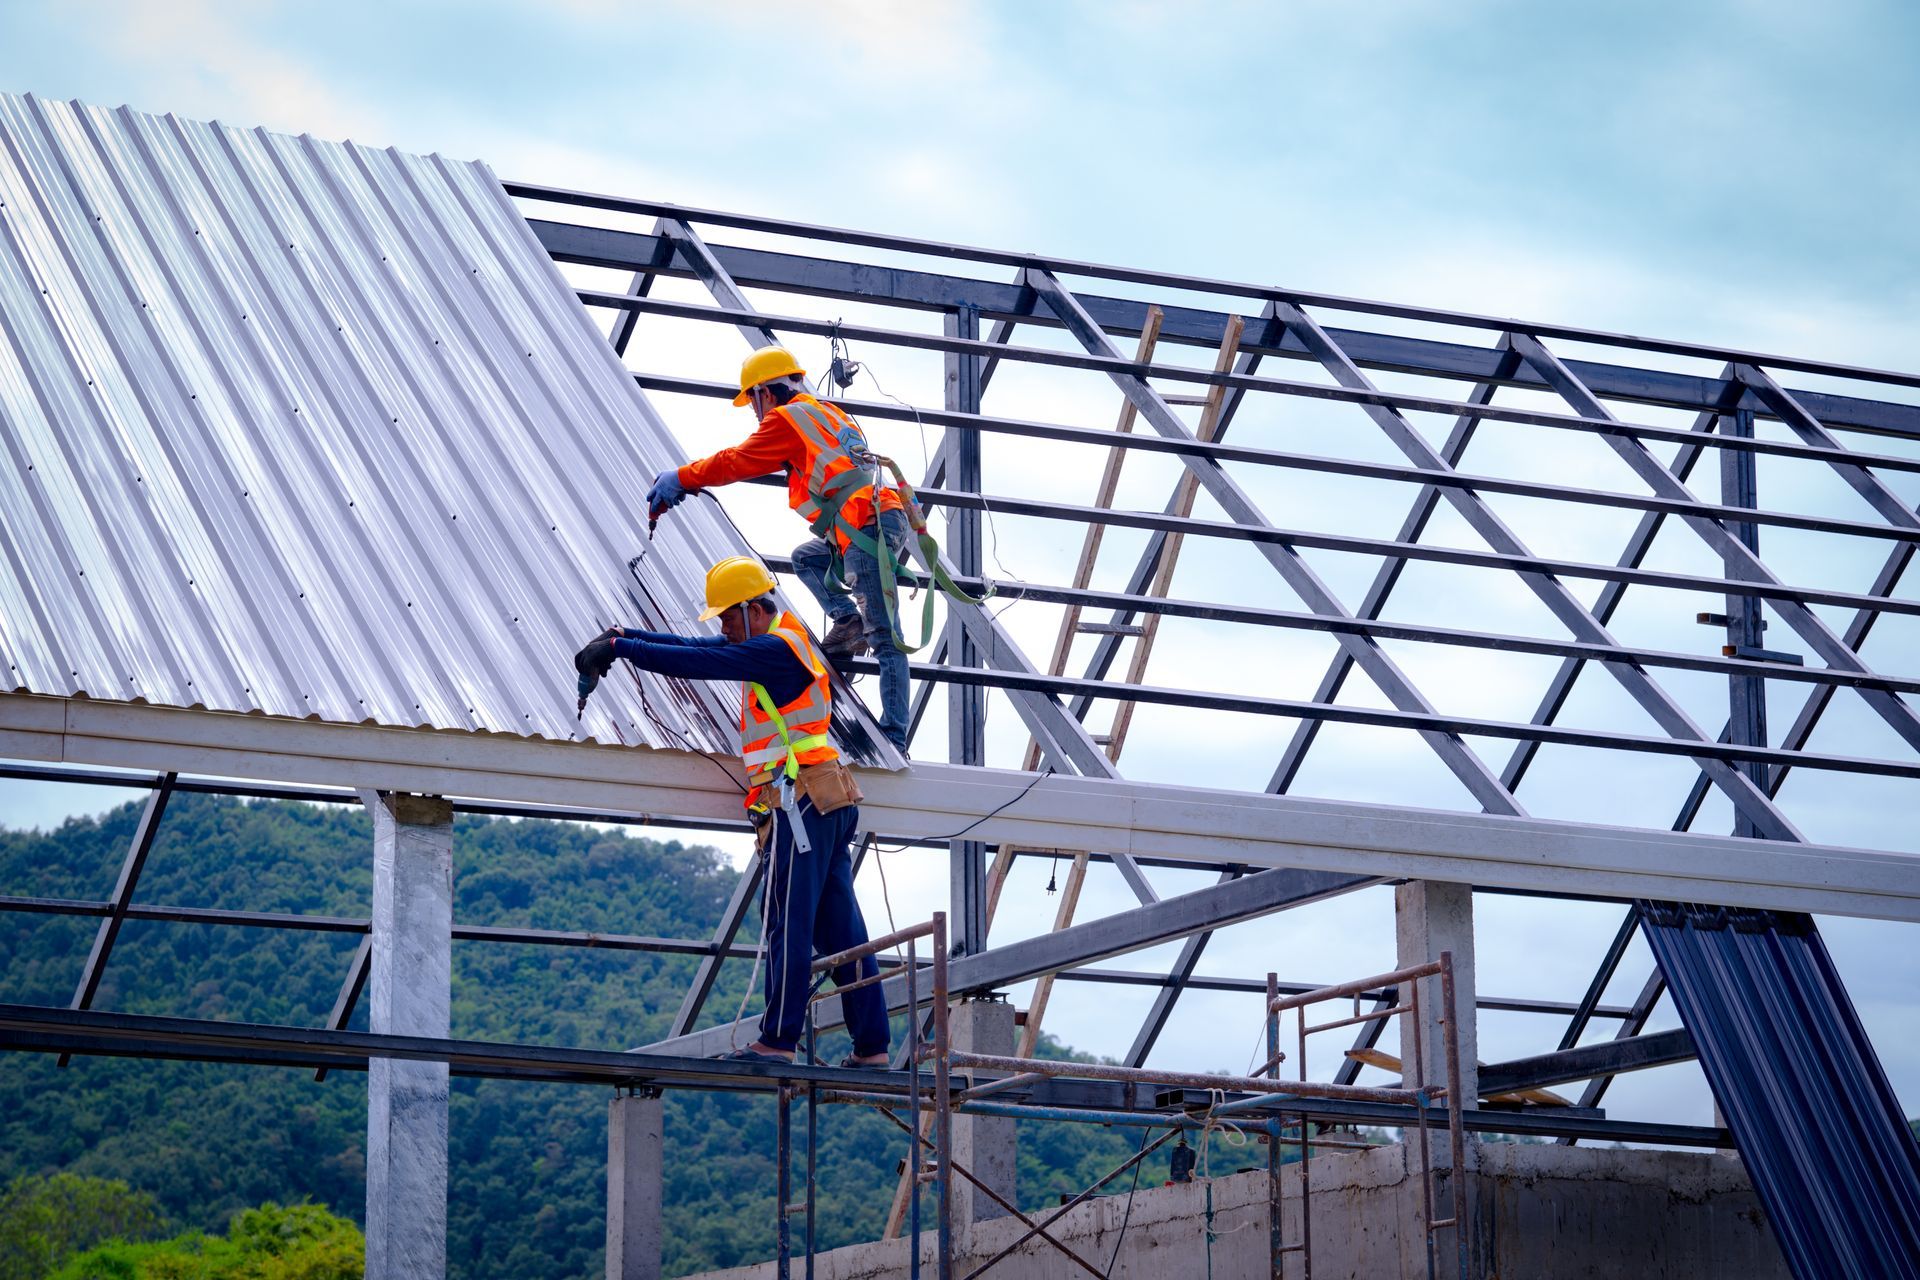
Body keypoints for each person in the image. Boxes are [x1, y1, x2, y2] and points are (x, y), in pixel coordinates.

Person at [574, 555, 891, 1067]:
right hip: (827, 797)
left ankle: (777, 1042)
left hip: (800, 803)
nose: (723, 626)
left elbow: (702, 662)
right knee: (841, 929)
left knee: (788, 923)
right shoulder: (781, 641)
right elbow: (701, 647)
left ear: (754, 609)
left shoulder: (773, 651)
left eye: (727, 615)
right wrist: (624, 637)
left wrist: (619, 649)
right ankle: (872, 1047)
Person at [646, 348, 914, 753]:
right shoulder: (824, 413)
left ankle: (895, 736)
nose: (754, 413)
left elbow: (737, 460)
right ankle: (847, 622)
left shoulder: (786, 420)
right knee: (805, 559)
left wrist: (683, 477)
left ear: (763, 394)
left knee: (887, 637)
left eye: (752, 402)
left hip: (864, 525)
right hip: (868, 522)